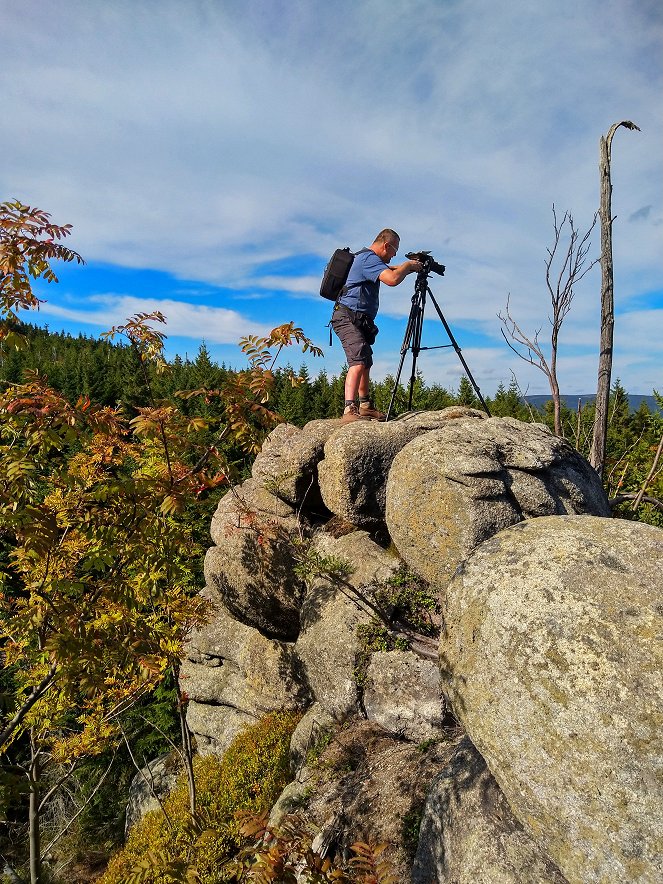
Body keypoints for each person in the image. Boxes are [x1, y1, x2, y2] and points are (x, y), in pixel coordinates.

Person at [331, 229, 422, 422]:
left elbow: (390, 270)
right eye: (394, 250)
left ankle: (365, 406)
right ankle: (349, 409)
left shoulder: (369, 260)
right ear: (386, 245)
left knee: (366, 360)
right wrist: (407, 266)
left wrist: (410, 267)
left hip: (358, 318)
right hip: (347, 317)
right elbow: (392, 279)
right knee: (358, 360)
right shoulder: (368, 259)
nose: (394, 255)